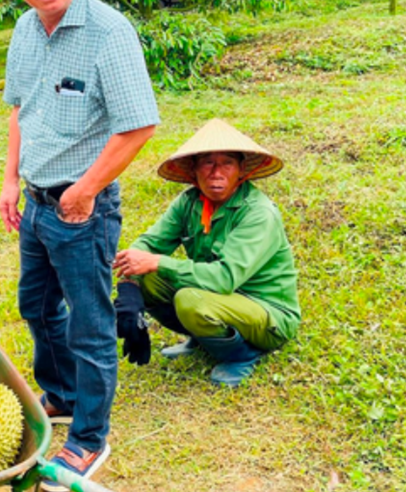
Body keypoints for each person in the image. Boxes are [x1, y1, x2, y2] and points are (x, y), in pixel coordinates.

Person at [0, 0, 159, 492]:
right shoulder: (23, 30)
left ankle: (89, 437)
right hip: (36, 203)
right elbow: (21, 108)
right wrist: (11, 180)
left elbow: (138, 126)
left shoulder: (109, 33)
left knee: (89, 326)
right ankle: (61, 396)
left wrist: (84, 191)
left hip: (81, 208)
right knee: (36, 307)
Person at [113, 119, 300, 387]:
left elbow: (223, 279)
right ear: (194, 170)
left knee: (190, 300)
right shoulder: (189, 202)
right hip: (218, 296)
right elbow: (147, 245)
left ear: (241, 171)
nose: (216, 172)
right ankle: (203, 339)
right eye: (207, 163)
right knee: (147, 276)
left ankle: (241, 355)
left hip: (267, 312)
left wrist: (157, 262)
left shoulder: (258, 213)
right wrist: (130, 292)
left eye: (227, 163)